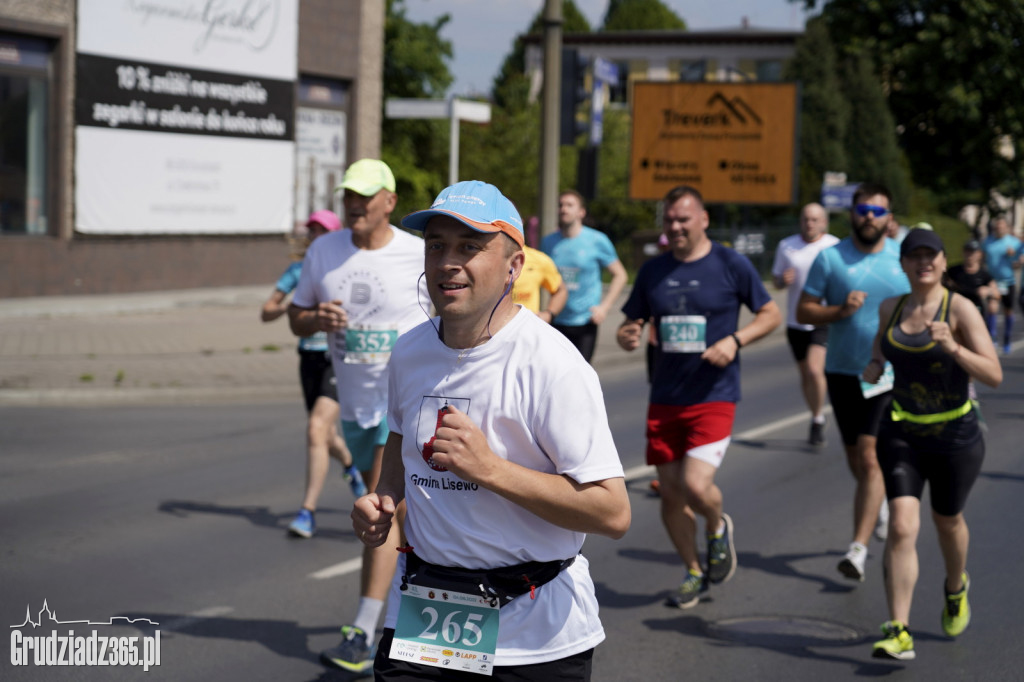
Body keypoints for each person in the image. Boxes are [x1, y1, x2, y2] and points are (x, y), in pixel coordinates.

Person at [352, 179, 631, 680]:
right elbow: (399, 434)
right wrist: (385, 497)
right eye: (436, 245)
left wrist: (491, 470)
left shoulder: (553, 364)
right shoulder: (409, 351)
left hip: (533, 632)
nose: (447, 262)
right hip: (426, 614)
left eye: (470, 247)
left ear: (514, 266)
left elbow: (611, 511)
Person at [288, 159, 427, 674]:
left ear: (389, 201)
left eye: (365, 197)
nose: (354, 205)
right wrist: (313, 317)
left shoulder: (417, 254)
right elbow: (295, 315)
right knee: (400, 521)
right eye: (349, 195)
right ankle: (410, 612)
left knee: (380, 507)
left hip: (403, 403)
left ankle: (364, 630)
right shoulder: (325, 250)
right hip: (353, 401)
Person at [616, 185, 781, 608]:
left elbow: (771, 313)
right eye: (669, 220)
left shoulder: (730, 263)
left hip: (714, 394)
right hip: (666, 395)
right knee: (670, 495)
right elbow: (630, 323)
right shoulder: (654, 271)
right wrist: (627, 333)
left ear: (703, 219)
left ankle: (715, 524)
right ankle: (693, 570)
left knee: (694, 485)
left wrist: (736, 341)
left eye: (683, 219)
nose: (675, 227)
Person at [863, 229, 1002, 660]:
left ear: (943, 263)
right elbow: (880, 347)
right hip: (902, 431)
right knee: (903, 525)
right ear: (902, 265)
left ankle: (955, 586)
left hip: (955, 437)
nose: (923, 262)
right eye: (914, 256)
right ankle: (898, 629)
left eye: (931, 255)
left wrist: (954, 347)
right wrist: (873, 365)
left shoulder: (960, 309)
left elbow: (993, 374)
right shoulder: (891, 307)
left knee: (947, 522)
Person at [797, 183, 910, 582]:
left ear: (889, 217)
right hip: (843, 371)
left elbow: (927, 304)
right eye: (863, 210)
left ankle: (857, 550)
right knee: (855, 460)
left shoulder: (904, 259)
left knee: (869, 456)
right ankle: (874, 502)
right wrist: (840, 310)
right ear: (852, 214)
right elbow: (804, 308)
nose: (869, 217)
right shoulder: (831, 259)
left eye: (878, 211)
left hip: (889, 374)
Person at [263, 210, 367, 538]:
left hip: (337, 358)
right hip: (308, 359)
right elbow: (266, 312)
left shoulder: (347, 268)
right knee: (322, 435)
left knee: (316, 427)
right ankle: (351, 466)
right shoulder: (299, 270)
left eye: (322, 231)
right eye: (312, 231)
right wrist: (292, 308)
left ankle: (307, 511)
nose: (315, 236)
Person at [771, 202, 840, 446]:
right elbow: (777, 280)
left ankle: (819, 417)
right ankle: (816, 416)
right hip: (795, 320)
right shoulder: (787, 246)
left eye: (814, 219)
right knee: (805, 374)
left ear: (823, 222)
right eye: (805, 219)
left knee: (814, 369)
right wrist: (782, 280)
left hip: (821, 318)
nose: (809, 224)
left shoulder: (833, 246)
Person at [541, 190, 628, 363]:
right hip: (557, 319)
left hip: (585, 320)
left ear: (581, 212)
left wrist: (604, 307)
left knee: (580, 376)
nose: (563, 209)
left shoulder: (597, 240)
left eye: (569, 205)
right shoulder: (548, 242)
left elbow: (620, 275)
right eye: (561, 205)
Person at [981, 215, 1022, 354]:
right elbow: (982, 258)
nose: (999, 228)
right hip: (993, 281)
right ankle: (992, 338)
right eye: (997, 226)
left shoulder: (1014, 243)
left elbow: (1019, 263)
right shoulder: (987, 242)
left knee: (1008, 311)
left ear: (1006, 228)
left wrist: (1014, 258)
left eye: (1002, 226)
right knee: (992, 308)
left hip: (1009, 281)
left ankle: (1007, 338)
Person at [512, 244, 568, 323]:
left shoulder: (538, 259)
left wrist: (548, 314)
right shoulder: (491, 257)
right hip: (494, 328)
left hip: (528, 326)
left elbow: (560, 290)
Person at [946, 240, 1000, 317]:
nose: (970, 255)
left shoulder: (984, 274)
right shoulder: (953, 271)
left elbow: (997, 294)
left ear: (979, 254)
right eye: (967, 252)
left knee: (993, 305)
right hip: (957, 307)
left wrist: (988, 291)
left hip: (976, 309)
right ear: (963, 253)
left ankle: (991, 328)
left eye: (972, 252)